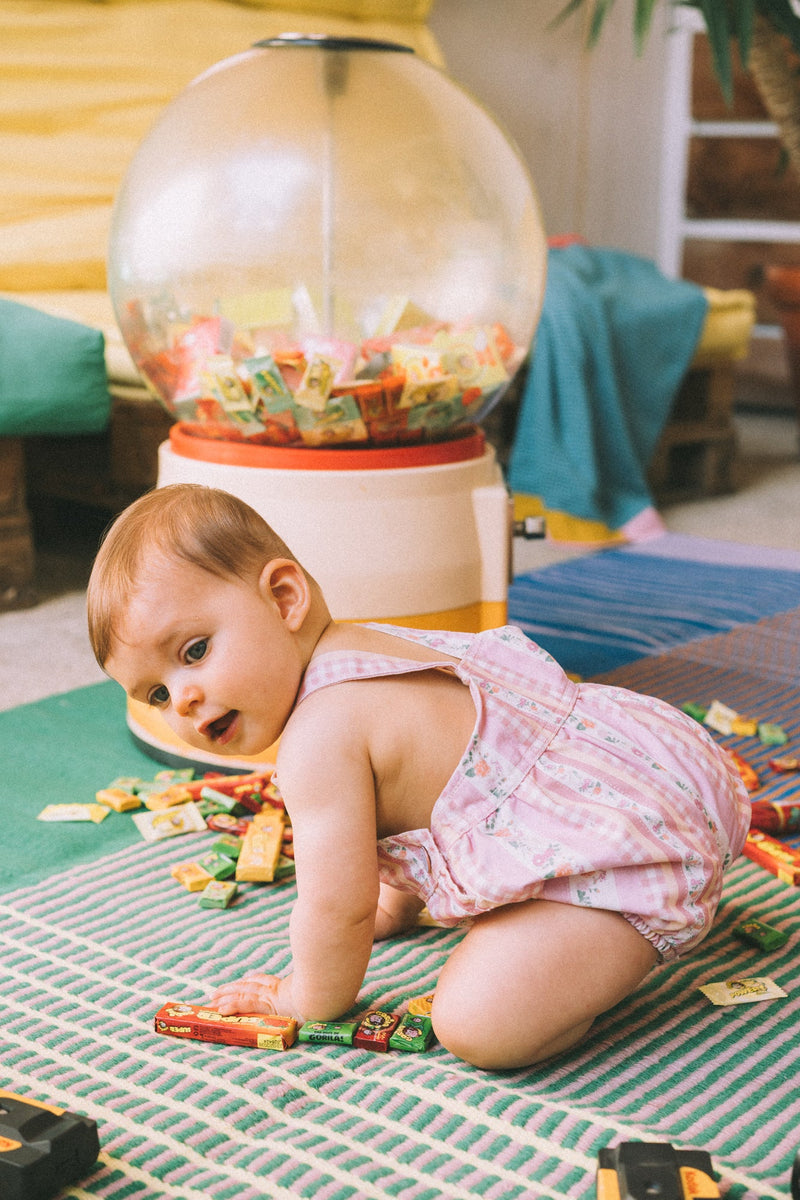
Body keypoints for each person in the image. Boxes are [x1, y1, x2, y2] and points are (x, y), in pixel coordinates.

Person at [87, 483, 750, 1070]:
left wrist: (305, 997)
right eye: (155, 695)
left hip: (618, 861)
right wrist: (396, 900)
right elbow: (428, 796)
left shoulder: (317, 740)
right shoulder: (362, 644)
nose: (186, 701)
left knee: (477, 1024)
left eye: (194, 652)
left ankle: (609, 962)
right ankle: (632, 915)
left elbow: (333, 906)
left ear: (285, 597)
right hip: (657, 766)